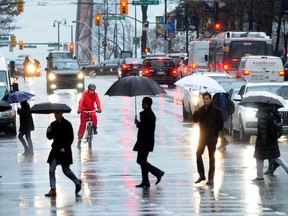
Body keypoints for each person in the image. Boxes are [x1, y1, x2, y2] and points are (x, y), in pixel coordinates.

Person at [45, 111, 82, 197]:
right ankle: (53, 189)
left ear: (61, 114)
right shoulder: (53, 124)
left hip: (64, 151)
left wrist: (64, 147)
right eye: (54, 114)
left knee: (66, 170)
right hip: (55, 150)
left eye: (57, 114)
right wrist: (48, 131)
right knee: (51, 169)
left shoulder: (67, 124)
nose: (55, 115)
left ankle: (77, 181)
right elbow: (50, 137)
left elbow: (71, 138)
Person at [193, 92, 224, 185]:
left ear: (210, 99)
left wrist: (214, 132)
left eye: (207, 99)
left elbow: (220, 124)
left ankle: (211, 178)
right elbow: (195, 120)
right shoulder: (201, 110)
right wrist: (196, 111)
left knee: (212, 157)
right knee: (198, 154)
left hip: (212, 138)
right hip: (202, 137)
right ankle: (201, 175)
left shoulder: (216, 110)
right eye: (204, 99)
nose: (205, 100)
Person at [133, 97, 165, 188]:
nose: (141, 104)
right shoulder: (147, 114)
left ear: (146, 103)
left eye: (142, 102)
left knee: (140, 160)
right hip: (145, 141)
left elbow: (147, 129)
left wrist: (138, 124)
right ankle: (145, 181)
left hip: (145, 141)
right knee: (143, 161)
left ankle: (158, 172)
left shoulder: (148, 115)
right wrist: (139, 124)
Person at [253, 104, 288, 182]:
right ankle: (286, 168)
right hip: (272, 139)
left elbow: (262, 129)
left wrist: (263, 140)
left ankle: (259, 176)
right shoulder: (273, 111)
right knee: (276, 156)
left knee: (259, 157)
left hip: (264, 140)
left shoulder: (262, 114)